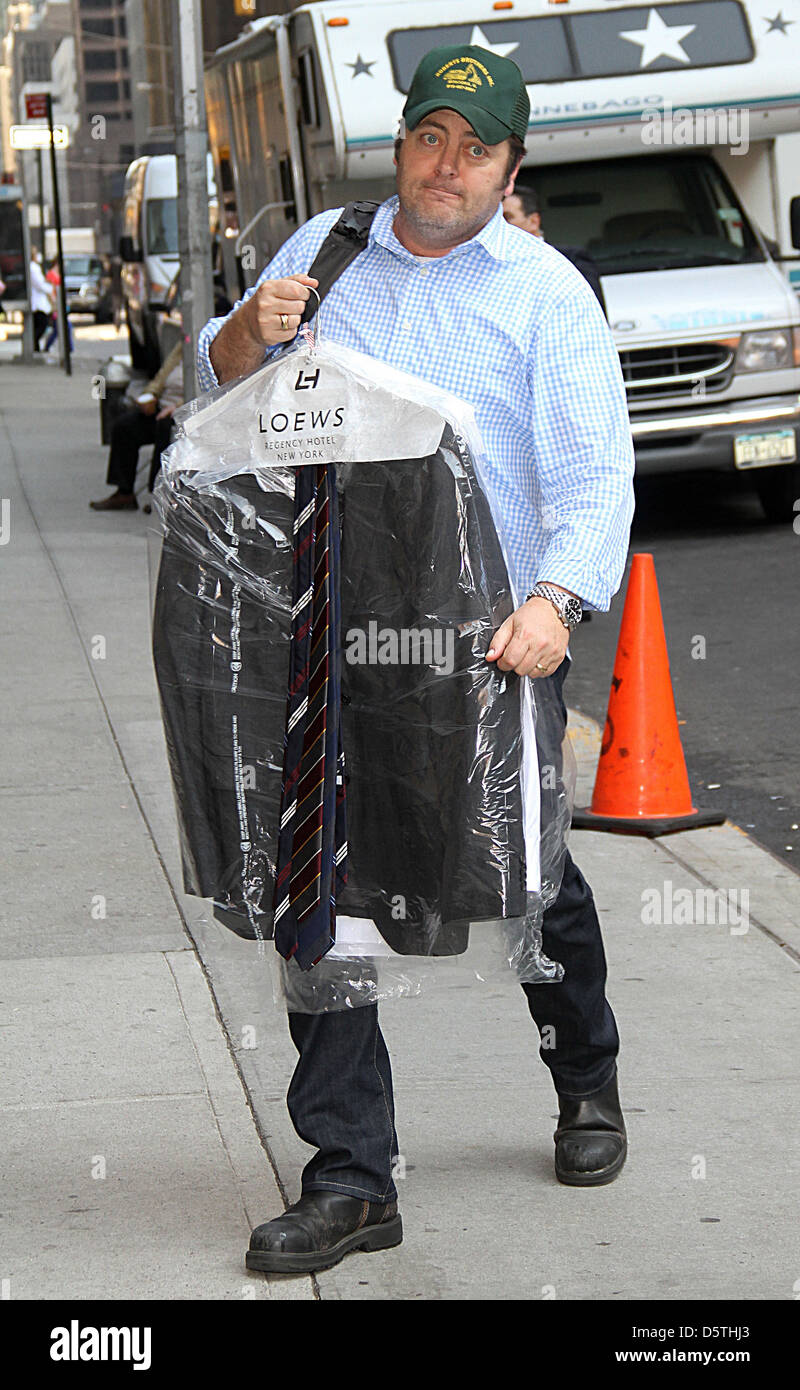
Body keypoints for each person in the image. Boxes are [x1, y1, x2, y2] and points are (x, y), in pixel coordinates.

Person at [196, 43, 635, 1274]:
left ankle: (584, 1074)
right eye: (429, 138)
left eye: (475, 148)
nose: (446, 166)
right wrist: (239, 337)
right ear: (398, 145)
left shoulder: (545, 293)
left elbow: (594, 474)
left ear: (510, 168)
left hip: (490, 638)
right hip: (329, 627)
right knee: (316, 892)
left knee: (523, 872)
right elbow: (213, 404)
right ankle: (350, 1172)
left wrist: (555, 601)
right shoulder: (320, 257)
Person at [89, 341, 183, 510]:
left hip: (182, 412)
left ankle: (156, 494)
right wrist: (150, 395)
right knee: (125, 426)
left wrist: (177, 407)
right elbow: (161, 377)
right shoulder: (182, 346)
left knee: (164, 429)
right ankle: (124, 492)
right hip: (161, 406)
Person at [503, 182, 607, 314]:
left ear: (534, 221)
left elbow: (592, 315)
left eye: (507, 218)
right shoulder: (489, 265)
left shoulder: (572, 260)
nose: (501, 226)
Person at [42, 257, 74, 354]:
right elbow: (50, 291)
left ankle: (68, 347)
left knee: (60, 328)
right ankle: (69, 347)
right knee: (63, 327)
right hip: (56, 305)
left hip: (60, 303)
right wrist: (54, 303)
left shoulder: (58, 274)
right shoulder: (51, 275)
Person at [29, 246, 53, 350]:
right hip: (38, 303)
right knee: (42, 325)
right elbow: (40, 284)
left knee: (37, 326)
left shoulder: (34, 267)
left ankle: (36, 348)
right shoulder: (33, 267)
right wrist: (50, 287)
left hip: (38, 301)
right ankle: (34, 346)